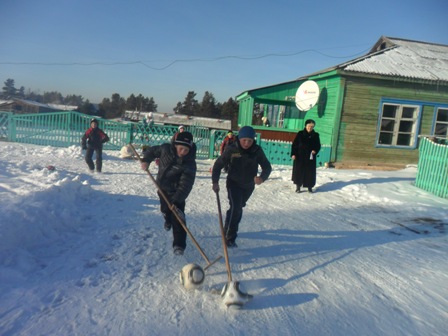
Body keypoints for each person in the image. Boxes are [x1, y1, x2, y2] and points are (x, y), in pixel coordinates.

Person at [212, 126, 272, 248]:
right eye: (244, 140)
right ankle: (230, 237)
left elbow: (267, 167)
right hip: (233, 183)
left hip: (249, 185)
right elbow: (218, 165)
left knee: (237, 207)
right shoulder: (232, 149)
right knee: (236, 208)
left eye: (250, 141)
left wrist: (261, 178)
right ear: (239, 138)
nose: (246, 143)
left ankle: (228, 225)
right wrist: (215, 182)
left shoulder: (256, 151)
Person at [140, 131, 196, 256]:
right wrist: (146, 161)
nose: (183, 152)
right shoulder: (165, 149)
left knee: (179, 218)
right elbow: (151, 151)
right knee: (165, 210)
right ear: (175, 145)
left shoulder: (190, 163)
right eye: (181, 148)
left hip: (177, 193)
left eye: (186, 150)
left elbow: (186, 185)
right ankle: (167, 219)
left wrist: (176, 200)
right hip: (162, 189)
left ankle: (179, 245)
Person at [291, 119, 321, 193]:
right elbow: (295, 145)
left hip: (310, 157)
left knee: (309, 173)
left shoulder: (315, 135)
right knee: (299, 172)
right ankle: (298, 187)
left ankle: (309, 187)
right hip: (300, 156)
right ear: (305, 126)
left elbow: (318, 145)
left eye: (311, 126)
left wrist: (315, 150)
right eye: (308, 126)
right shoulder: (300, 134)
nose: (310, 128)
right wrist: (293, 154)